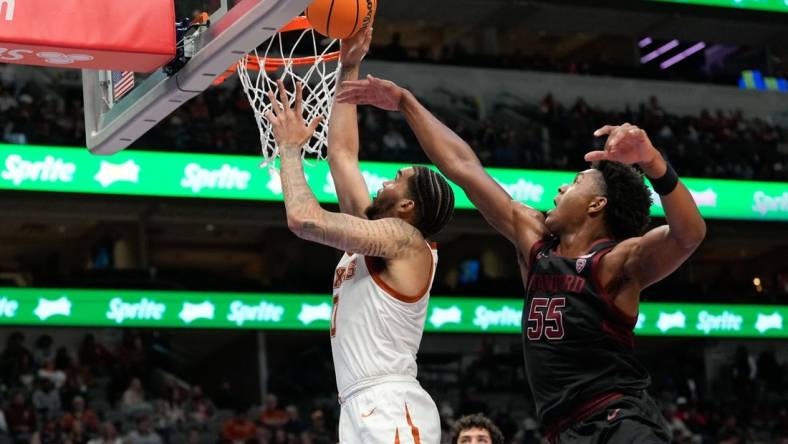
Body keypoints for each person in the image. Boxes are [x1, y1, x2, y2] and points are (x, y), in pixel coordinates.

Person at [338, 76, 707, 443]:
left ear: (597, 205)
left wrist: (654, 162)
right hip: (562, 430)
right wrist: (405, 101)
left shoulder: (616, 261)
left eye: (576, 183)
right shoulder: (535, 243)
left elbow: (689, 234)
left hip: (619, 420)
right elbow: (463, 166)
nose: (562, 188)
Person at [262, 26, 454, 444]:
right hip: (363, 404)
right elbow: (343, 156)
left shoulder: (404, 241)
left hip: (390, 405)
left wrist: (290, 150)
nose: (386, 180)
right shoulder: (379, 235)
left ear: (408, 207)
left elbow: (304, 219)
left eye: (397, 179)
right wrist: (349, 66)